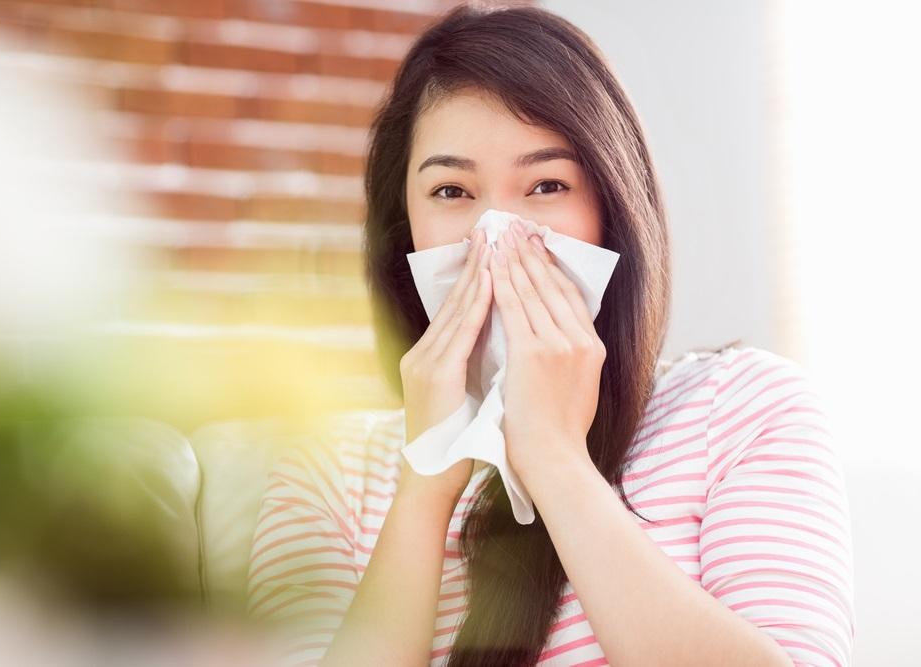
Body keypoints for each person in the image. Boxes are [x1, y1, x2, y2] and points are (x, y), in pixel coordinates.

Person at [246, 5, 854, 666]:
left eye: (546, 184)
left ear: (611, 211)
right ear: (404, 230)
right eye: (452, 191)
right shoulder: (327, 472)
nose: (497, 232)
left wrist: (554, 459)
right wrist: (424, 488)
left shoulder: (741, 407)